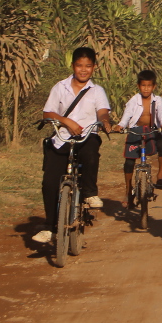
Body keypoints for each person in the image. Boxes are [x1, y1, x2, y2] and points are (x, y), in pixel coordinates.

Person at [33, 47, 112, 244]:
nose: (83, 70)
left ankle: (89, 193)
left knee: (91, 154)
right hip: (62, 138)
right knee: (49, 182)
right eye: (79, 65)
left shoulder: (97, 91)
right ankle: (50, 227)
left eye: (88, 66)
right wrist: (65, 121)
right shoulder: (60, 87)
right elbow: (47, 113)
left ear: (94, 67)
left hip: (86, 137)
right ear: (73, 66)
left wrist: (105, 121)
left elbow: (102, 111)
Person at [115, 69, 162, 209]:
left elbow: (161, 112)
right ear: (138, 86)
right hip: (136, 130)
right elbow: (127, 113)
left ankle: (160, 176)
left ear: (154, 87)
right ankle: (128, 190)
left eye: (149, 86)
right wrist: (121, 125)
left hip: (152, 130)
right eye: (143, 85)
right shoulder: (134, 100)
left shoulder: (157, 100)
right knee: (129, 161)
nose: (146, 89)